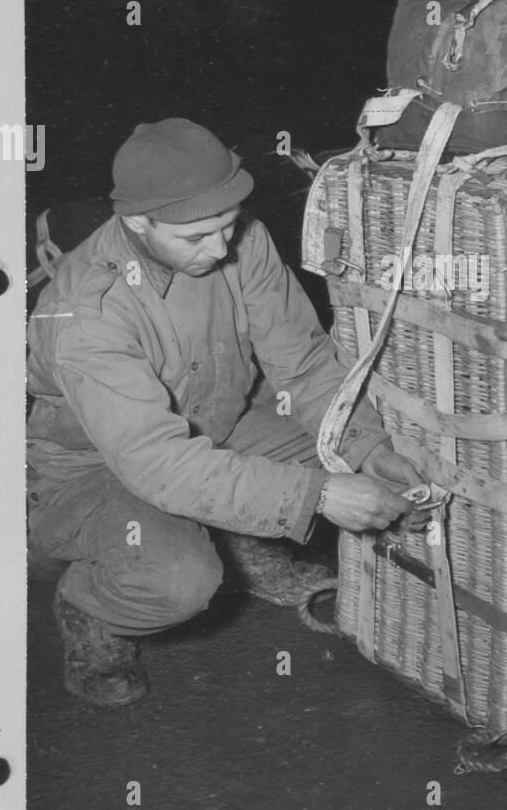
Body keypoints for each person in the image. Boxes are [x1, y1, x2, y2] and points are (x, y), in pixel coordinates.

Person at [27, 118, 425, 708]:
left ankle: (234, 536)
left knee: (360, 448)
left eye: (227, 227)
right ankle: (91, 605)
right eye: (196, 237)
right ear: (137, 222)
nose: (219, 249)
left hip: (215, 423)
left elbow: (305, 364)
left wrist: (369, 449)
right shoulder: (88, 312)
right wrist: (317, 495)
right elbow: (159, 464)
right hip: (99, 470)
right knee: (178, 580)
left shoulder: (242, 239)